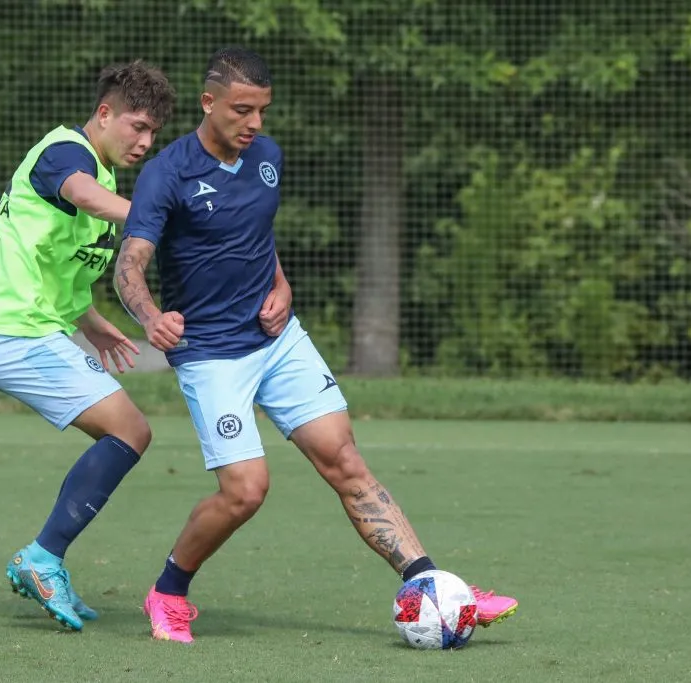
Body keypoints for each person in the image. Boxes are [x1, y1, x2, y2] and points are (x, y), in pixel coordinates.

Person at [114, 47, 518, 644]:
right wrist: (150, 316)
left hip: (279, 342)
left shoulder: (267, 158)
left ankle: (434, 586)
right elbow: (131, 263)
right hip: (211, 354)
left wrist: (281, 283)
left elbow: (257, 236)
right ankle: (168, 591)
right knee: (246, 491)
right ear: (209, 103)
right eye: (241, 110)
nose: (254, 125)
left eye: (262, 112)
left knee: (345, 461)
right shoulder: (167, 173)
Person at [0, 60, 176, 632]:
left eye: (153, 132)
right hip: (15, 332)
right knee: (131, 430)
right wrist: (159, 217)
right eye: (136, 126)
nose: (145, 141)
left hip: (31, 329)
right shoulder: (67, 152)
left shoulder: (105, 177)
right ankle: (42, 557)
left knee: (127, 433)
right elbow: (79, 193)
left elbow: (49, 261)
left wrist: (91, 320)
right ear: (103, 114)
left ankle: (46, 557)